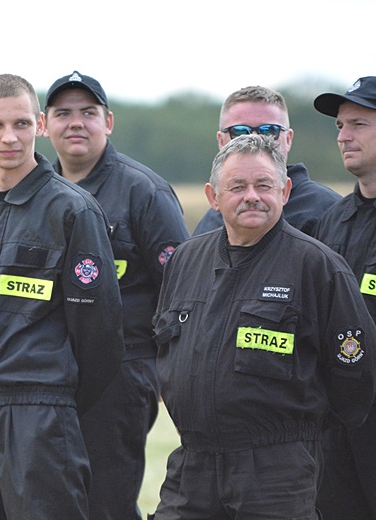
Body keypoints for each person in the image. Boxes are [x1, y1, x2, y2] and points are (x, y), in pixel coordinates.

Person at [150, 134, 376, 519]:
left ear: (285, 191)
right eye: (237, 186)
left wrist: (298, 436)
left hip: (276, 471)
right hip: (192, 464)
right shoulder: (186, 260)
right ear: (213, 196)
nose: (252, 195)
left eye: (264, 185)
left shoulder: (316, 266)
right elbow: (165, 346)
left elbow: (354, 376)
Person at [0, 73, 125, 520]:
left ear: (40, 125)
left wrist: (54, 402)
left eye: (22, 124)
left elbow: (101, 332)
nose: (10, 138)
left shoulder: (72, 209)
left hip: (38, 411)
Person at [43, 70, 188, 520]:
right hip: (48, 370)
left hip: (120, 375)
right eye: (63, 114)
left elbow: (182, 289)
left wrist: (163, 370)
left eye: (88, 113)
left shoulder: (143, 191)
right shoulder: (37, 191)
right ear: (44, 125)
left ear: (108, 121)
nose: (75, 123)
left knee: (106, 500)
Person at [313, 76, 376, 520]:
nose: (342, 136)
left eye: (357, 123)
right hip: (336, 422)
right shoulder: (333, 220)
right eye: (339, 126)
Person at [193, 85, 340, 236]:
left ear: (288, 139)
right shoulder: (211, 220)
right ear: (221, 141)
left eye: (269, 131)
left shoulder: (329, 211)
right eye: (240, 132)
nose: (255, 139)